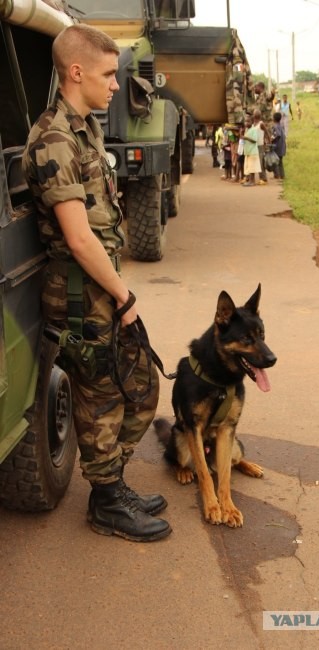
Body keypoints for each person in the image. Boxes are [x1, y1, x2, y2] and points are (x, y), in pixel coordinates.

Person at [22, 24, 172, 543]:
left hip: (99, 289)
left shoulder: (84, 128)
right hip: (82, 295)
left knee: (137, 386)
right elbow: (80, 239)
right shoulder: (56, 138)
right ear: (76, 72)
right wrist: (125, 296)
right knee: (102, 396)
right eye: (109, 74)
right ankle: (106, 501)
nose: (117, 85)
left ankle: (112, 486)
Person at [242, 114, 261, 187]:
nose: (246, 123)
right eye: (245, 121)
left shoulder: (254, 129)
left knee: (252, 168)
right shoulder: (247, 130)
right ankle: (250, 180)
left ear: (252, 122)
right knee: (249, 167)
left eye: (248, 121)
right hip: (248, 151)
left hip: (252, 151)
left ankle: (252, 181)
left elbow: (255, 140)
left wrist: (245, 138)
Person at [252, 108, 270, 185]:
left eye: (256, 113)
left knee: (260, 162)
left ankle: (263, 178)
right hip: (254, 146)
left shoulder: (261, 124)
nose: (255, 115)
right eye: (255, 113)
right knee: (257, 162)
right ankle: (261, 178)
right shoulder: (253, 124)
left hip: (260, 145)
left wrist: (268, 140)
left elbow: (266, 132)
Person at [271, 112, 287, 180]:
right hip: (282, 146)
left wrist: (272, 139)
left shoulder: (275, 126)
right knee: (280, 162)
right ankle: (281, 175)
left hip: (278, 147)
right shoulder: (280, 125)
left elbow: (278, 134)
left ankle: (278, 175)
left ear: (274, 119)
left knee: (276, 162)